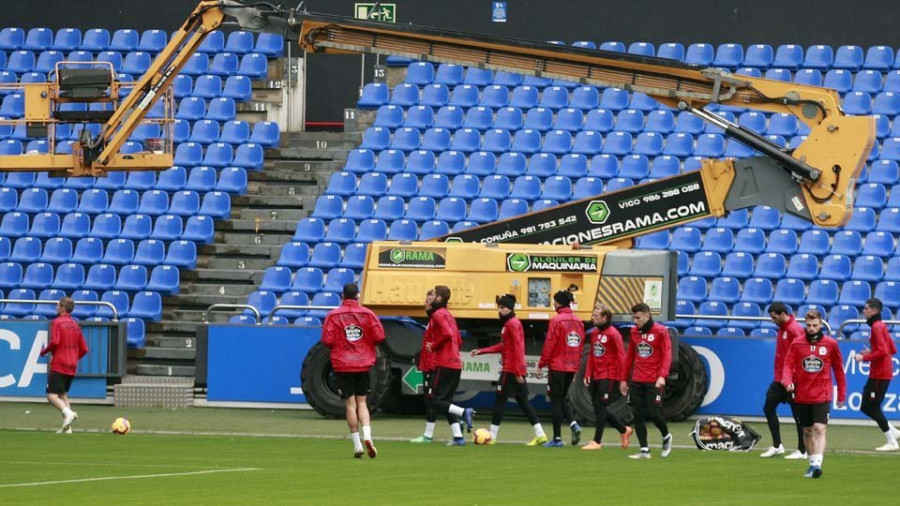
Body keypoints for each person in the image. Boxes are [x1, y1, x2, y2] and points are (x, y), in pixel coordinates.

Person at [471, 294, 547, 446]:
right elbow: (504, 346)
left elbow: (519, 348)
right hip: (515, 369)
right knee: (523, 401)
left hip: (511, 370)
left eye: (503, 308)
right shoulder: (510, 324)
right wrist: (482, 351)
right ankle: (540, 434)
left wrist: (519, 371)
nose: (500, 311)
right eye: (499, 308)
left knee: (500, 400)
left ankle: (492, 436)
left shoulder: (512, 324)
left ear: (510, 309)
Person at [321, 283, 386, 459]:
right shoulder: (368, 314)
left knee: (350, 405)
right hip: (363, 363)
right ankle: (368, 436)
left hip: (342, 364)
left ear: (342, 296)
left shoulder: (333, 315)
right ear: (357, 295)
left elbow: (327, 339)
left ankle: (357, 444)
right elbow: (380, 336)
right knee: (362, 403)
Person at [782, 310, 846, 478]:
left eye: (815, 325)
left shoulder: (830, 344)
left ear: (821, 324)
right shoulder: (797, 344)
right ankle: (811, 464)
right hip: (802, 395)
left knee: (819, 428)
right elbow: (787, 364)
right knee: (807, 431)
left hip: (822, 394)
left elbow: (839, 370)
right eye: (808, 325)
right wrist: (787, 380)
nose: (811, 328)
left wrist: (841, 394)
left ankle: (817, 465)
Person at [424, 285, 475, 446]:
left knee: (432, 400)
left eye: (433, 294)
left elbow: (447, 334)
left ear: (438, 298)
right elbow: (458, 340)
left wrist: (434, 346)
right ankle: (458, 437)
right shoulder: (449, 316)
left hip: (444, 363)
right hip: (455, 363)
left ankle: (464, 412)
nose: (430, 297)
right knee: (446, 402)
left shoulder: (438, 315)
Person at [621, 302, 672, 459]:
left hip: (654, 380)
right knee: (637, 414)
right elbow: (630, 356)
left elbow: (667, 354)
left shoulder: (661, 331)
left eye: (638, 318)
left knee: (654, 413)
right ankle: (644, 450)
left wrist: (662, 375)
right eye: (633, 317)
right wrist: (623, 379)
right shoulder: (634, 332)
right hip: (637, 379)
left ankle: (666, 436)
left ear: (647, 316)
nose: (635, 321)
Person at [760, 302, 809, 460]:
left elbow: (802, 355)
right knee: (768, 407)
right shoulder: (782, 330)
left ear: (782, 314)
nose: (772, 320)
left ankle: (803, 450)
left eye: (774, 317)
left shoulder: (795, 330)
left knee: (798, 416)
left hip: (793, 380)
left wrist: (793, 378)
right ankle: (777, 446)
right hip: (780, 379)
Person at [581, 304, 633, 450]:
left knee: (601, 407)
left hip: (609, 375)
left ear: (605, 317)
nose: (593, 318)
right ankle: (624, 430)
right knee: (598, 408)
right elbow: (592, 354)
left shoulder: (614, 334)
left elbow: (621, 357)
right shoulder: (595, 333)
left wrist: (623, 379)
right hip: (596, 374)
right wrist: (587, 373)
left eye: (596, 316)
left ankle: (597, 441)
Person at [538, 289, 584, 447]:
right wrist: (576, 367)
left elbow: (549, 344)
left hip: (557, 366)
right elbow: (579, 345)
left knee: (556, 401)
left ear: (558, 303)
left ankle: (557, 438)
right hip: (571, 367)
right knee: (563, 398)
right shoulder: (578, 321)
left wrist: (541, 364)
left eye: (554, 301)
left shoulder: (556, 320)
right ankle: (573, 424)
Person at [854, 298, 900, 451]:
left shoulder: (876, 327)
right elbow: (892, 349)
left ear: (874, 311)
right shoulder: (880, 325)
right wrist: (872, 352)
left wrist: (864, 357)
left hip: (879, 374)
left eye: (866, 309)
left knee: (871, 407)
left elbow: (884, 351)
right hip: (880, 373)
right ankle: (893, 432)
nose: (864, 311)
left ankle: (892, 441)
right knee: (867, 406)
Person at [40, 297, 88, 434]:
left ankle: (68, 413)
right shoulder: (75, 325)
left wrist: (44, 351)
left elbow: (55, 341)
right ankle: (68, 428)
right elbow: (84, 349)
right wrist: (73, 358)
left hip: (59, 363)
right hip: (72, 365)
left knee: (51, 396)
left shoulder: (57, 322)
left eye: (57, 306)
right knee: (63, 395)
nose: (55, 308)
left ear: (62, 308)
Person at [410, 289, 439, 443]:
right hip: (429, 363)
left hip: (432, 364)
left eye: (428, 301)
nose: (424, 304)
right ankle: (457, 422)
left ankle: (428, 434)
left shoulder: (437, 320)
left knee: (431, 399)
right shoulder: (432, 320)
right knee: (436, 399)